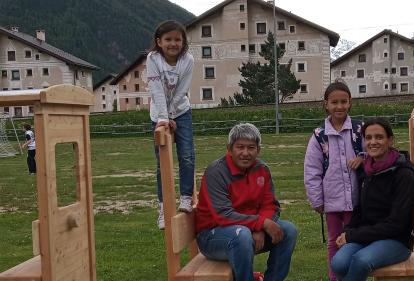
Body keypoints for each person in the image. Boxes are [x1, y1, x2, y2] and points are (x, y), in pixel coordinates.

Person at [195, 123, 297, 281]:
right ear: (229, 148)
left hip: (247, 230)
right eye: (240, 147)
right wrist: (261, 224)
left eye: (251, 147)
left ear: (258, 150)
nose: (245, 153)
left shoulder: (262, 169)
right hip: (212, 236)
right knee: (241, 236)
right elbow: (223, 215)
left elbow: (270, 205)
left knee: (288, 230)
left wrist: (260, 228)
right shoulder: (216, 172)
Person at [331, 117, 414, 281]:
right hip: (368, 236)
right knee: (338, 263)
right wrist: (348, 231)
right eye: (368, 138)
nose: (373, 142)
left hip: (396, 240)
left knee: (361, 261)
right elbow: (361, 209)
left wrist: (353, 236)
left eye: (379, 137)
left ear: (390, 140)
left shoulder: (404, 175)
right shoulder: (366, 170)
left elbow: (397, 224)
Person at [304, 81, 364, 281]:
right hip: (331, 200)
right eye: (334, 102)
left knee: (352, 240)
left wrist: (362, 158)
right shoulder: (319, 136)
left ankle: (352, 276)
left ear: (350, 103)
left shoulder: (359, 131)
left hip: (355, 198)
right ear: (326, 104)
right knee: (333, 241)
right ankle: (334, 277)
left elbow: (376, 151)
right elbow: (312, 170)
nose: (339, 106)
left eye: (343, 101)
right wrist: (316, 199)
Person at [146, 20, 195, 229]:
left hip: (181, 111)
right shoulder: (153, 59)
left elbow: (182, 89)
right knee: (162, 163)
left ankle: (185, 197)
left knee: (186, 155)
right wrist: (164, 119)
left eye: (177, 39)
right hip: (158, 114)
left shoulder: (188, 60)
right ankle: (164, 207)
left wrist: (173, 115)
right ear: (159, 42)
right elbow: (156, 90)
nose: (173, 43)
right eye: (168, 39)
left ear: (183, 42)